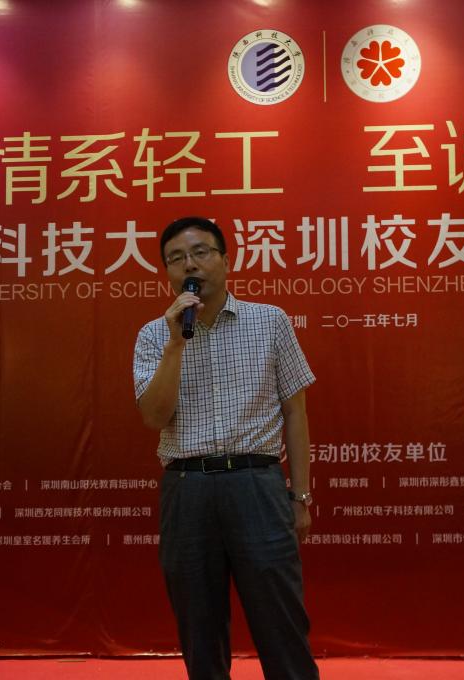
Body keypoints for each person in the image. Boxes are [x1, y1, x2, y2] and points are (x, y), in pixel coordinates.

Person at [132, 216, 320, 680]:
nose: (189, 265)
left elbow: (296, 412)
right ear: (167, 272)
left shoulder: (270, 321)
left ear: (225, 260)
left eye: (200, 252)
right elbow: (154, 417)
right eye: (176, 258)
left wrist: (300, 496)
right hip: (187, 488)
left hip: (256, 483)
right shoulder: (154, 335)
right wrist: (175, 344)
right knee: (200, 629)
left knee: (281, 622)